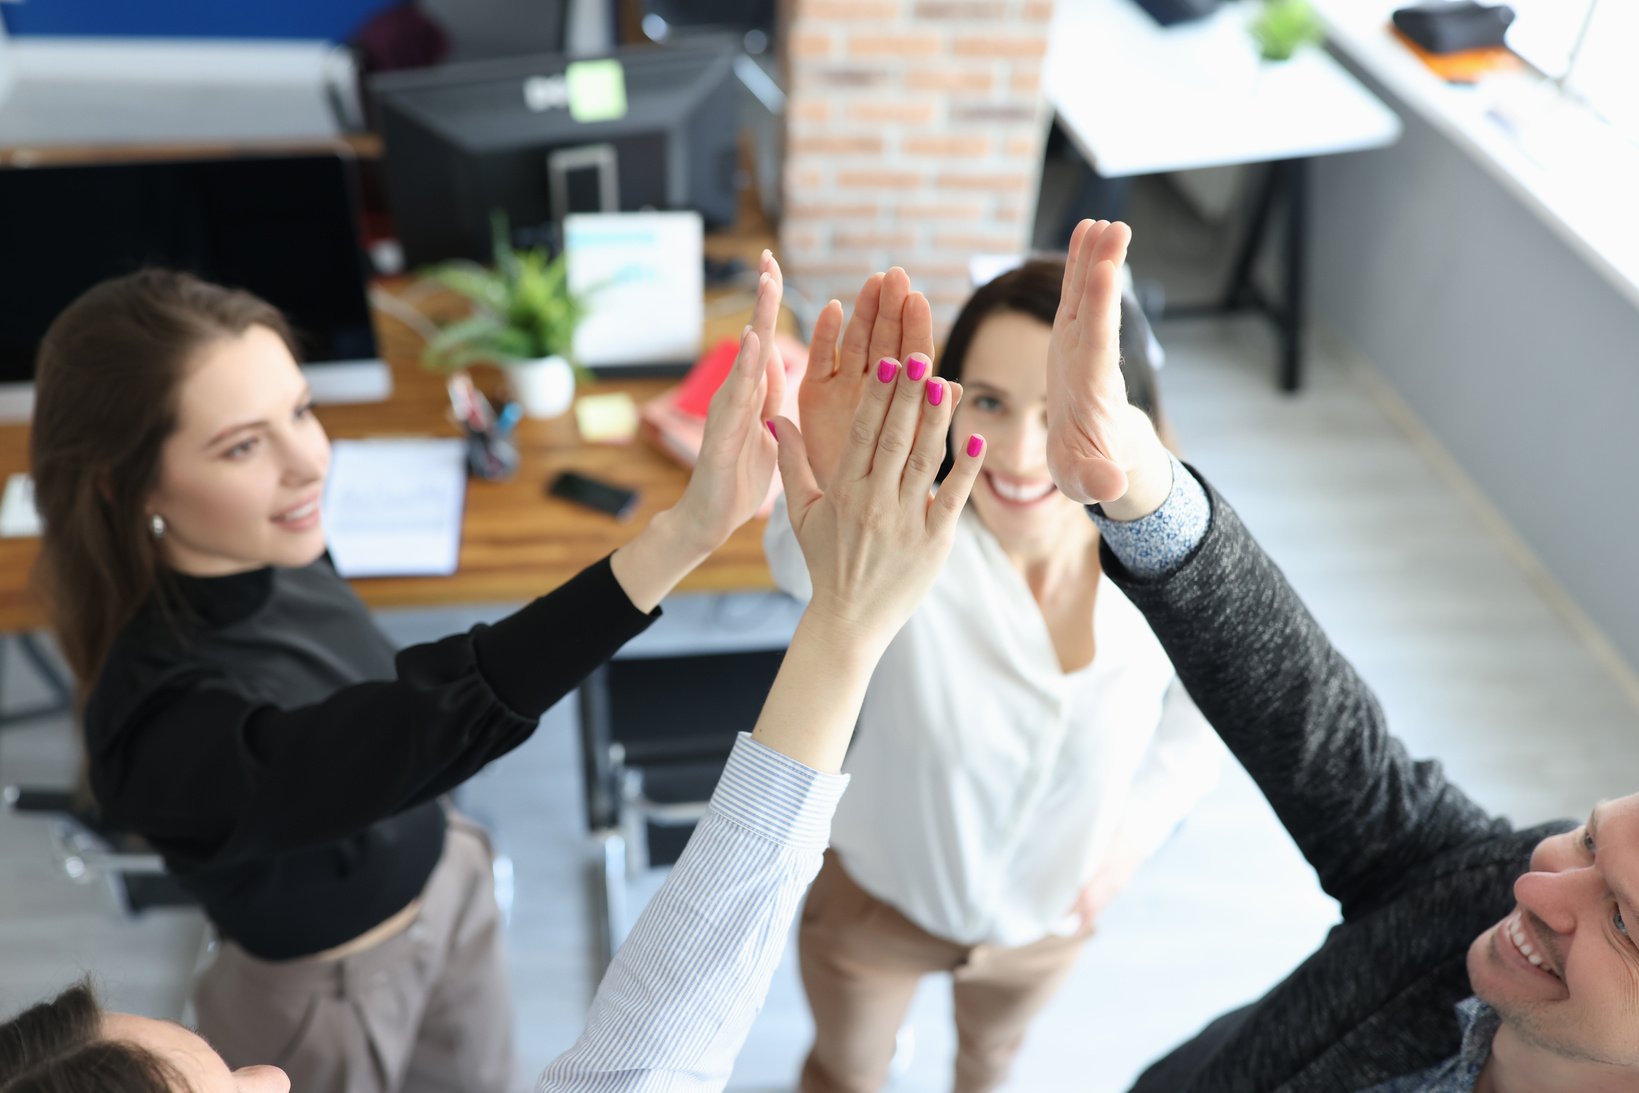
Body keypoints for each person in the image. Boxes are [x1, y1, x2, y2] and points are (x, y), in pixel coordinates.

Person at [0, 299, 987, 1093]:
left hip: (449, 881)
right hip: (328, 990)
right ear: (127, 490)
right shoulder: (160, 735)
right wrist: (683, 538)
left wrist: (695, 526)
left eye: (299, 409)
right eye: (242, 445)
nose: (311, 460)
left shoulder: (275, 545)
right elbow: (412, 722)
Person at [1040, 219, 1639, 1092]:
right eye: (1587, 837)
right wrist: (1138, 484)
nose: (1540, 886)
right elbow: (1331, 750)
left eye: (1622, 921)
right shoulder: (1508, 886)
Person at [764, 260, 1222, 1092]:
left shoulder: (1173, 553)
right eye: (989, 402)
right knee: (845, 1072)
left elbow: (1210, 710)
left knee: (991, 1067)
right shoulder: (911, 540)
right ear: (948, 399)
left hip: (1043, 925)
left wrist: (1130, 837)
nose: (1016, 454)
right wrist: (838, 487)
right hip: (875, 901)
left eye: (1059, 411)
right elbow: (804, 571)